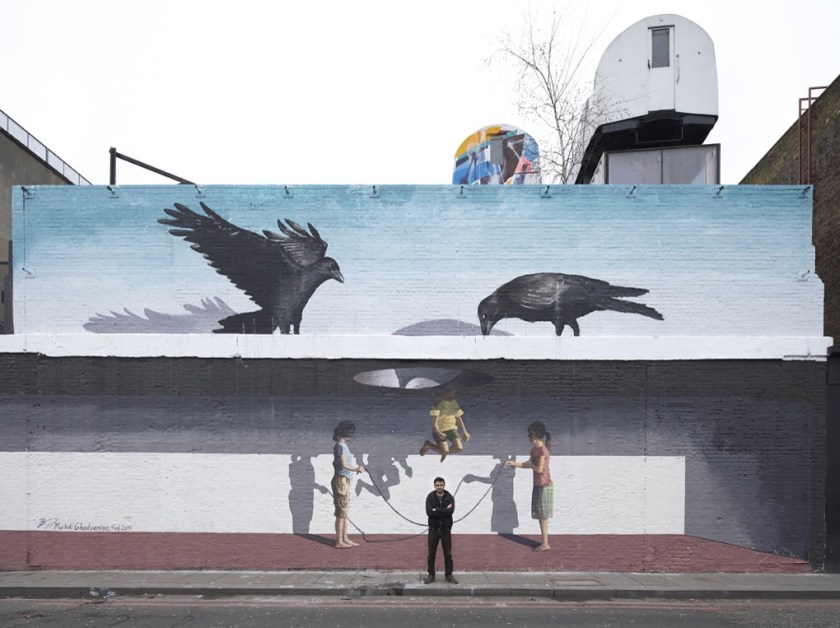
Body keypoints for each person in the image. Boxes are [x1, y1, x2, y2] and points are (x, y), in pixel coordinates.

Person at [505, 421, 553, 551]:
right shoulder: (534, 449)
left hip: (544, 485)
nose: (529, 436)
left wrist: (531, 465)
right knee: (540, 515)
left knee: (543, 516)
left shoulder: (543, 450)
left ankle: (545, 543)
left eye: (530, 433)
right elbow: (529, 463)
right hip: (538, 484)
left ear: (536, 434)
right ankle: (544, 542)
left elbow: (538, 469)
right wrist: (514, 463)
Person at [331, 420, 365, 549]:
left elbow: (346, 465)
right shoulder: (340, 446)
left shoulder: (343, 445)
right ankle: (339, 541)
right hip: (341, 480)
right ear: (344, 431)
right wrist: (357, 469)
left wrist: (356, 468)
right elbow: (344, 465)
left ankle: (345, 538)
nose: (351, 433)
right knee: (341, 512)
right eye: (350, 431)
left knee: (344, 511)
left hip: (345, 479)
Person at [420, 387, 470, 462]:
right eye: (449, 394)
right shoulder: (437, 405)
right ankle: (430, 446)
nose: (451, 396)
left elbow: (458, 417)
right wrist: (439, 433)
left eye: (453, 394)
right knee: (445, 451)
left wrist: (464, 431)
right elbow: (434, 424)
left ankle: (442, 452)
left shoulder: (453, 403)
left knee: (458, 447)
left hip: (452, 430)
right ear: (443, 395)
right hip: (440, 430)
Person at [425, 476, 457, 584]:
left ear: (444, 485)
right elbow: (429, 512)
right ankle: (431, 575)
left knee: (448, 554)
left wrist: (436, 510)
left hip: (445, 530)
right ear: (434, 486)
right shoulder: (430, 497)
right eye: (437, 485)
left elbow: (450, 511)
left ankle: (449, 575)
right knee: (431, 554)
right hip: (433, 530)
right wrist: (443, 510)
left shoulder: (449, 497)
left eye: (441, 485)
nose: (439, 487)